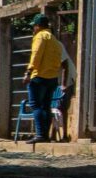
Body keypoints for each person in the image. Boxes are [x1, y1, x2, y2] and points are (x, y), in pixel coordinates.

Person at [27, 16, 70, 145]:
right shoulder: (55, 41)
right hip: (52, 79)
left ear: (38, 26)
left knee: (36, 105)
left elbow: (36, 55)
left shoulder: (40, 36)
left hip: (39, 77)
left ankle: (40, 134)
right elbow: (60, 61)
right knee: (46, 106)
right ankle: (45, 135)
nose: (33, 29)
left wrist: (28, 71)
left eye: (34, 26)